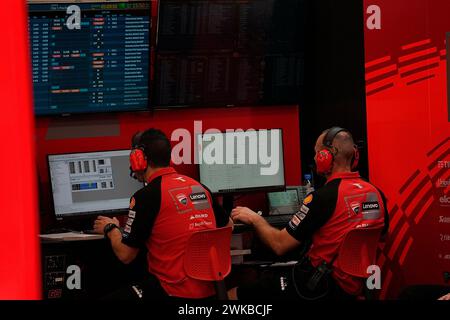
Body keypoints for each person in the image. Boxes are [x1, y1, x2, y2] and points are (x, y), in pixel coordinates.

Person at [229, 127, 389, 300]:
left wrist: (254, 218)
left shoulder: (322, 198)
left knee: (233, 294)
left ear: (325, 157)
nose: (314, 158)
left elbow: (279, 245)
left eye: (317, 152)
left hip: (319, 285)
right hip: (358, 286)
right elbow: (380, 236)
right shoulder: (376, 193)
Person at [93, 128, 231, 300]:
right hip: (211, 289)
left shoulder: (145, 197)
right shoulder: (198, 187)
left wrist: (110, 228)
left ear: (139, 161)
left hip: (172, 290)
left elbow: (125, 255)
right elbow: (228, 226)